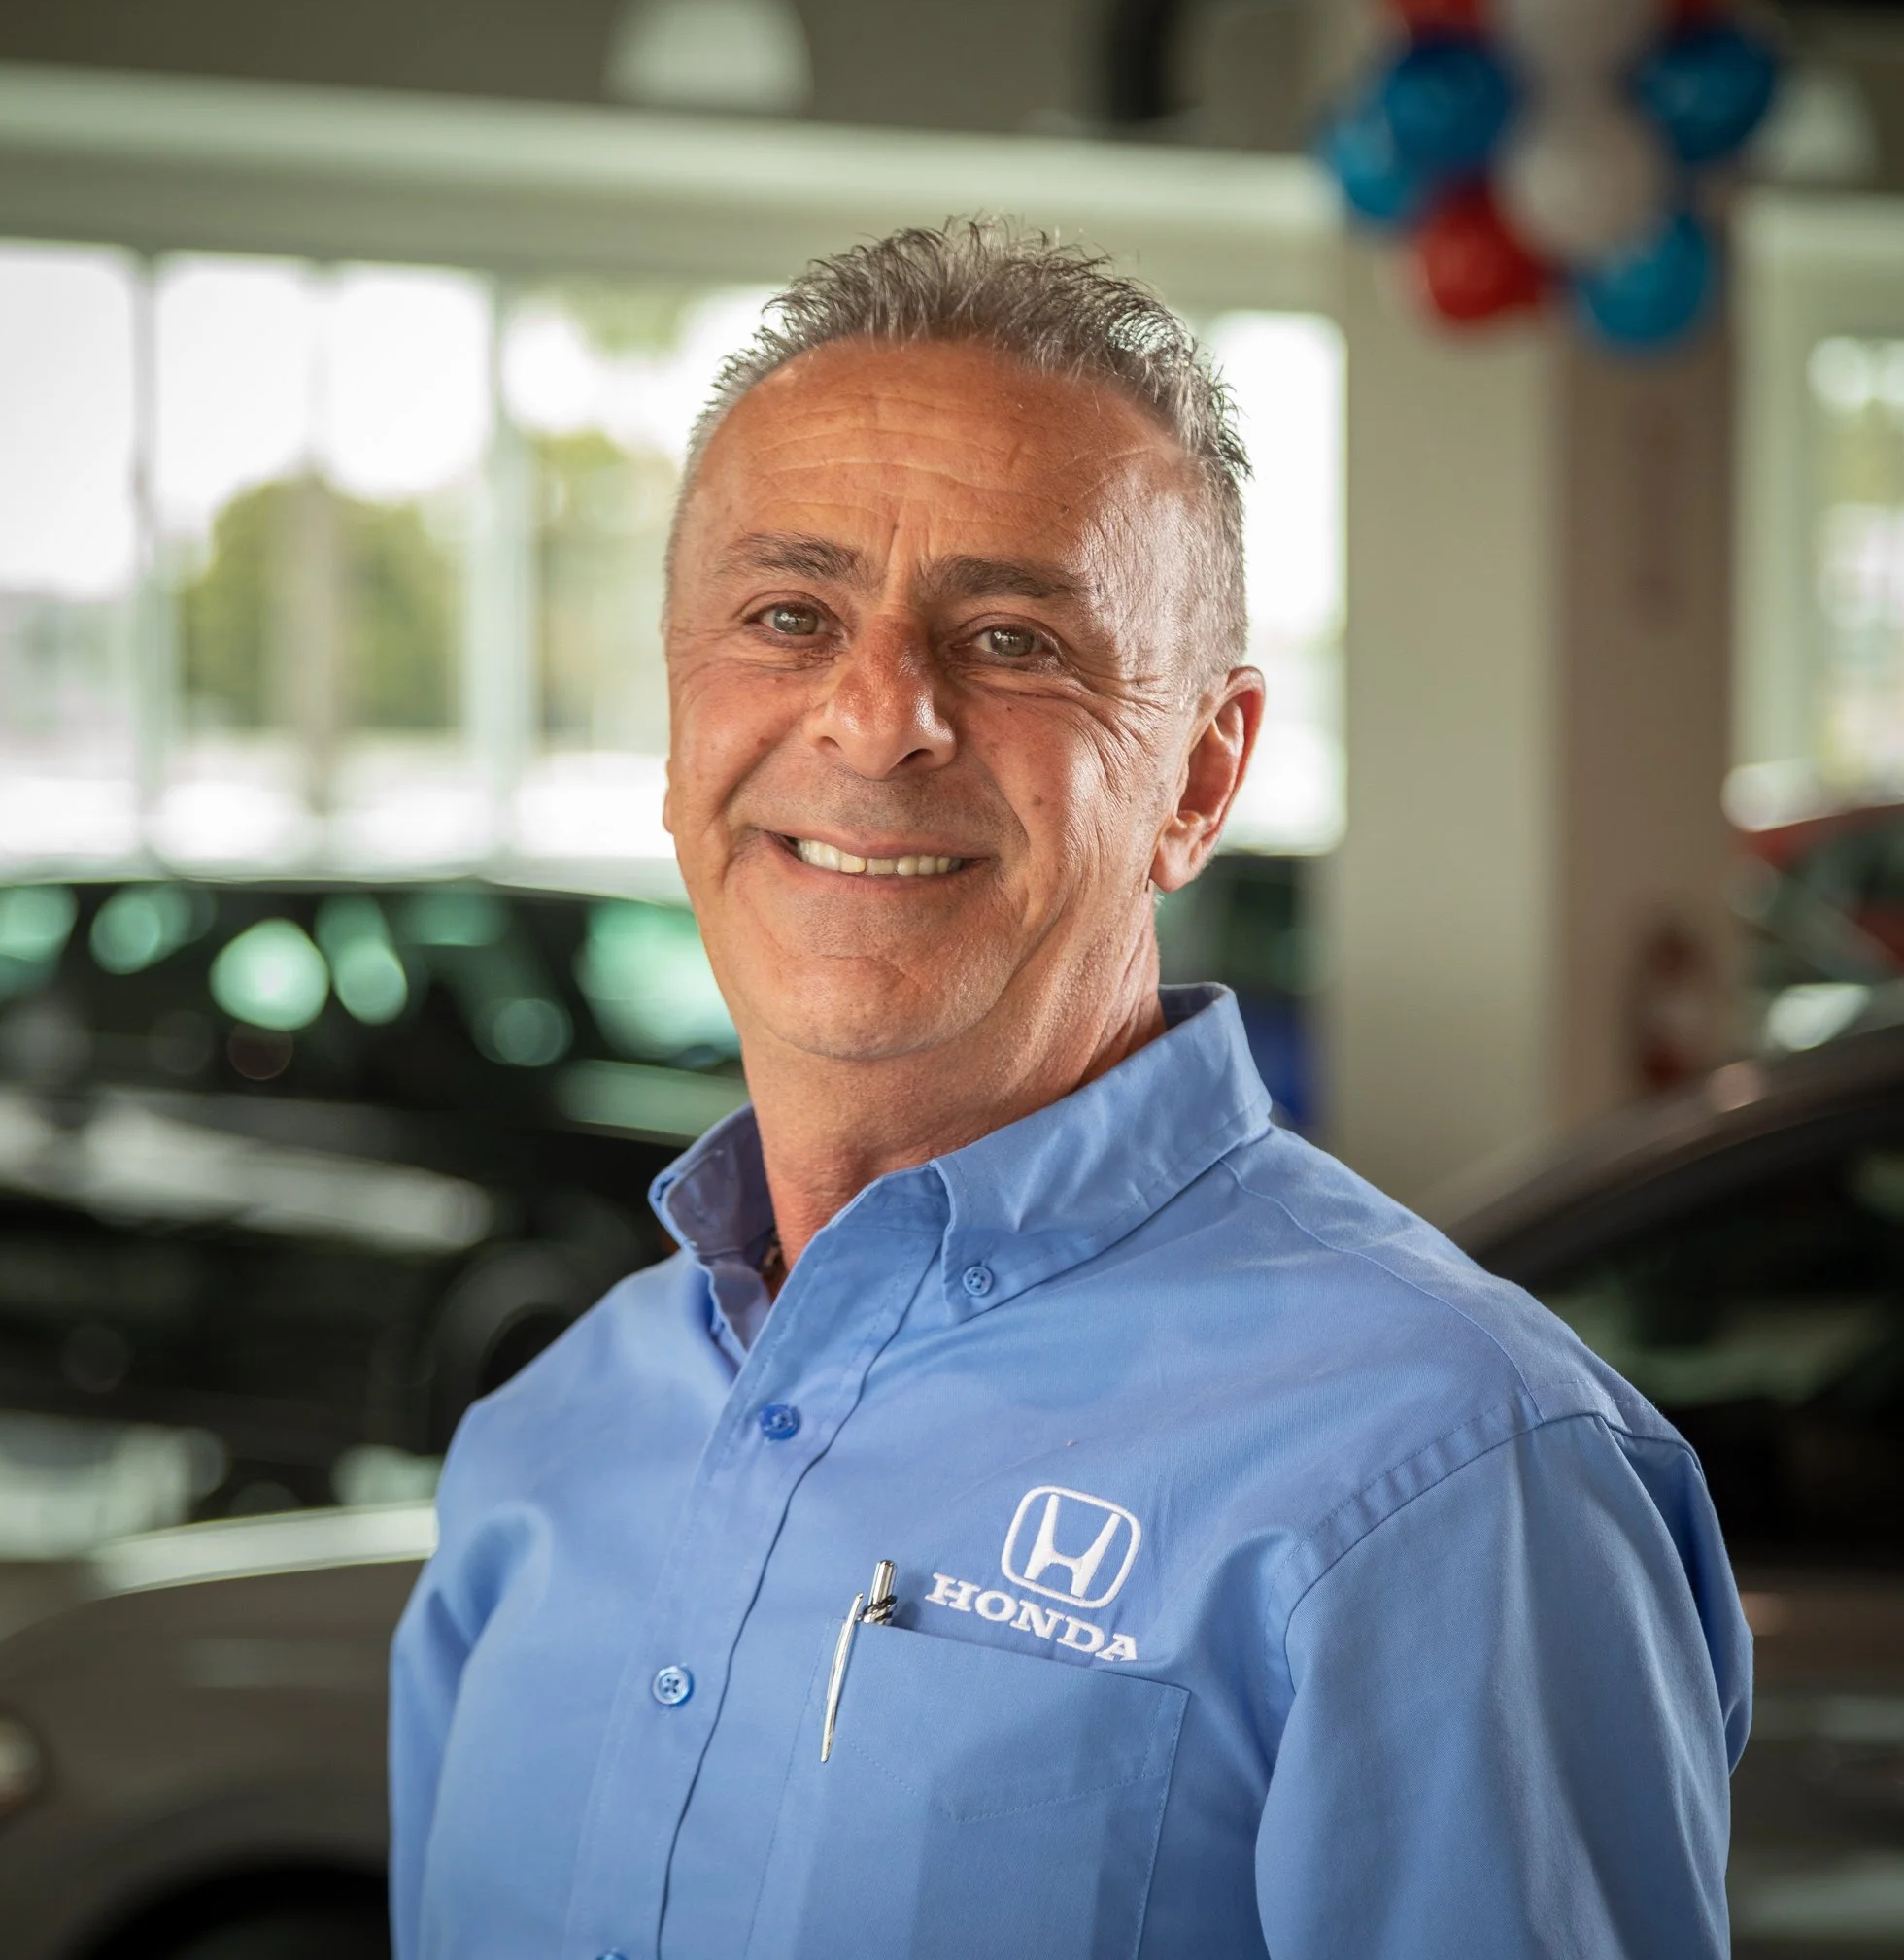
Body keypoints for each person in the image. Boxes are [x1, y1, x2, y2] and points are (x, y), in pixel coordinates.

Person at [391, 220, 1750, 1960]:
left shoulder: (1451, 1475)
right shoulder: (549, 1447)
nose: (879, 721)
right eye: (788, 616)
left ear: (1201, 772)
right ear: (677, 721)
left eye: (1016, 639)